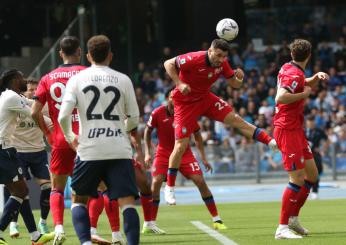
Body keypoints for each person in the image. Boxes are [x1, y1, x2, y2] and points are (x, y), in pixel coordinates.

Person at [163, 38, 277, 204]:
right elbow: (168, 63)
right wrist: (179, 84)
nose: (221, 59)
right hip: (184, 102)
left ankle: (271, 142)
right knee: (180, 146)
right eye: (218, 55)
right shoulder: (194, 58)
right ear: (210, 51)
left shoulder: (223, 64)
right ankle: (170, 188)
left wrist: (240, 78)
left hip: (205, 99)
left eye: (224, 56)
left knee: (237, 120)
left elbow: (234, 84)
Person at [58, 35, 140, 245]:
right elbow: (134, 118)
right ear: (110, 56)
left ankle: (85, 242)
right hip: (119, 148)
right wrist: (120, 130)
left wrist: (70, 137)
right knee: (127, 203)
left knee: (78, 200)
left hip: (89, 148)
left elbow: (63, 116)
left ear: (87, 56)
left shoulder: (77, 79)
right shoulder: (123, 79)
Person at [144, 89, 227, 230]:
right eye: (172, 97)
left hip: (185, 153)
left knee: (200, 181)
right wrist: (147, 153)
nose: (175, 99)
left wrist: (203, 158)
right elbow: (147, 131)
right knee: (156, 183)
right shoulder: (157, 113)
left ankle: (217, 220)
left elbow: (198, 135)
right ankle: (150, 223)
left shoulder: (186, 112)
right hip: (163, 153)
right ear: (167, 99)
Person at [31, 36, 86, 245]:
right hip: (86, 139)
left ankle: (59, 230)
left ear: (60, 53)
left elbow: (34, 112)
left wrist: (48, 133)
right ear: (79, 52)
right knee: (96, 188)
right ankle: (91, 230)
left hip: (61, 139)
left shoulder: (48, 78)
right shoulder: (86, 73)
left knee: (56, 188)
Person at [273, 39, 329, 239]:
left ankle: (293, 219)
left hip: (295, 128)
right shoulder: (295, 73)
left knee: (311, 175)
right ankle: (281, 228)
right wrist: (304, 94)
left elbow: (297, 83)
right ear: (310, 55)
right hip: (287, 128)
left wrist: (313, 78)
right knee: (296, 178)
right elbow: (281, 97)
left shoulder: (289, 68)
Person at [0, 69, 54, 245]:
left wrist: (52, 105)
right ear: (15, 80)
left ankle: (35, 236)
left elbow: (34, 104)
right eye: (22, 78)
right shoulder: (11, 97)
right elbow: (34, 112)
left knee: (21, 191)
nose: (24, 81)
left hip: (7, 150)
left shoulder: (11, 96)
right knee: (20, 191)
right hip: (4, 150)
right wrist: (53, 130)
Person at [305, 115, 328, 200]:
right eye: (309, 123)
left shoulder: (319, 131)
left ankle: (315, 191)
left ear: (314, 122)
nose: (310, 124)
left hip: (315, 154)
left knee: (316, 173)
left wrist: (323, 149)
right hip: (304, 155)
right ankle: (305, 191)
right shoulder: (303, 131)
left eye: (312, 122)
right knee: (305, 174)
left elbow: (327, 140)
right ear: (307, 123)